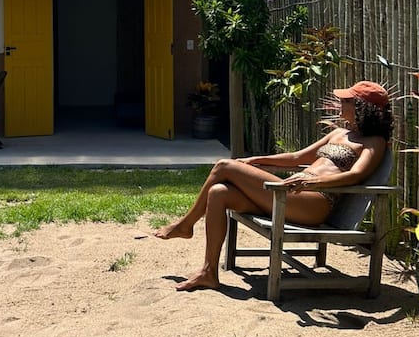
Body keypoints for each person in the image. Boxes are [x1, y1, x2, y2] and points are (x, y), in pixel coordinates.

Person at [154, 81, 392, 292]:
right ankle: (209, 272)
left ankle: (185, 225)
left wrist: (312, 182)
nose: (340, 102)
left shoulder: (375, 142)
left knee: (223, 166)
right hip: (290, 194)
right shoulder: (338, 133)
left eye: (347, 100)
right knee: (219, 193)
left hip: (315, 202)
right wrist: (255, 160)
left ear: (362, 108)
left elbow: (356, 175)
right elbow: (297, 158)